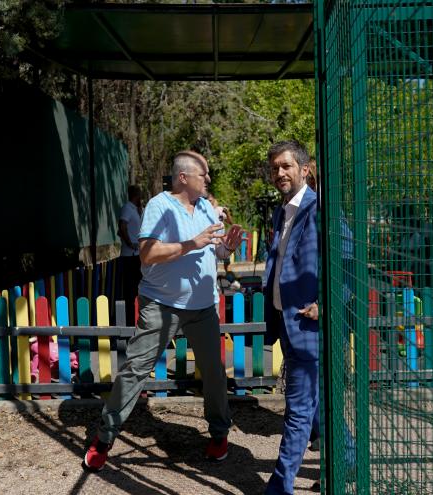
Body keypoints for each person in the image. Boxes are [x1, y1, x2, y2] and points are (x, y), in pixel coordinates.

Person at [84, 151, 243, 471]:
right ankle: (104, 438)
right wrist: (191, 243)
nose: (208, 179)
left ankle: (219, 434)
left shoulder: (206, 208)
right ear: (183, 177)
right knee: (135, 371)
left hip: (202, 307)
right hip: (161, 305)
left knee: (213, 372)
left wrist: (228, 247)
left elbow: (215, 250)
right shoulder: (159, 205)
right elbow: (147, 253)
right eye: (204, 174)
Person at [262, 140, 320, 494]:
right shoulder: (282, 211)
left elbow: (345, 260)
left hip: (310, 325)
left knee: (298, 410)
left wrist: (326, 304)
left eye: (286, 166)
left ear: (304, 169)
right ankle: (348, 461)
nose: (279, 173)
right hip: (287, 320)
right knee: (316, 407)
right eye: (274, 168)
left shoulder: (317, 209)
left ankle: (279, 489)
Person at [117, 185, 143, 326]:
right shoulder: (127, 208)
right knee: (130, 289)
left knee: (137, 287)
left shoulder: (135, 209)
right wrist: (129, 243)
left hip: (136, 254)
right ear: (136, 195)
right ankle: (129, 319)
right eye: (140, 195)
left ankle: (136, 316)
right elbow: (121, 227)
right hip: (130, 255)